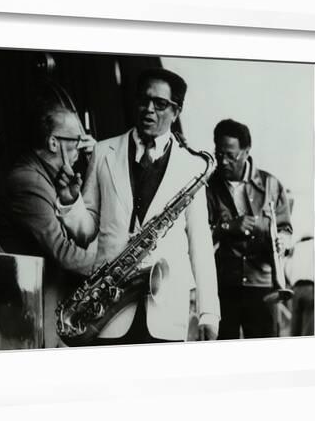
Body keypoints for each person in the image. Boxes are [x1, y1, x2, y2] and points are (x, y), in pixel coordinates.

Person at [56, 68, 220, 345]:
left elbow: (200, 246)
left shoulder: (192, 166)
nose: (149, 109)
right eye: (144, 101)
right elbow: (87, 232)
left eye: (160, 104)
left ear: (176, 112)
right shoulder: (103, 152)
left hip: (166, 310)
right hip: (107, 310)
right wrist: (71, 202)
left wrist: (209, 314)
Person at [0, 104, 96, 348]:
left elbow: (79, 238)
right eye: (77, 140)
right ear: (53, 143)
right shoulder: (28, 182)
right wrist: (109, 263)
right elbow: (64, 253)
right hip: (31, 312)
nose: (82, 147)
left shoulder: (47, 176)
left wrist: (70, 200)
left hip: (47, 304)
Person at [206, 118, 293, 339]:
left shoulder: (272, 185)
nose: (223, 161)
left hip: (263, 286)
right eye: (218, 154)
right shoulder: (208, 187)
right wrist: (227, 226)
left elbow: (286, 229)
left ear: (246, 151)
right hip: (225, 285)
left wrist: (283, 240)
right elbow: (200, 236)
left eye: (230, 155)